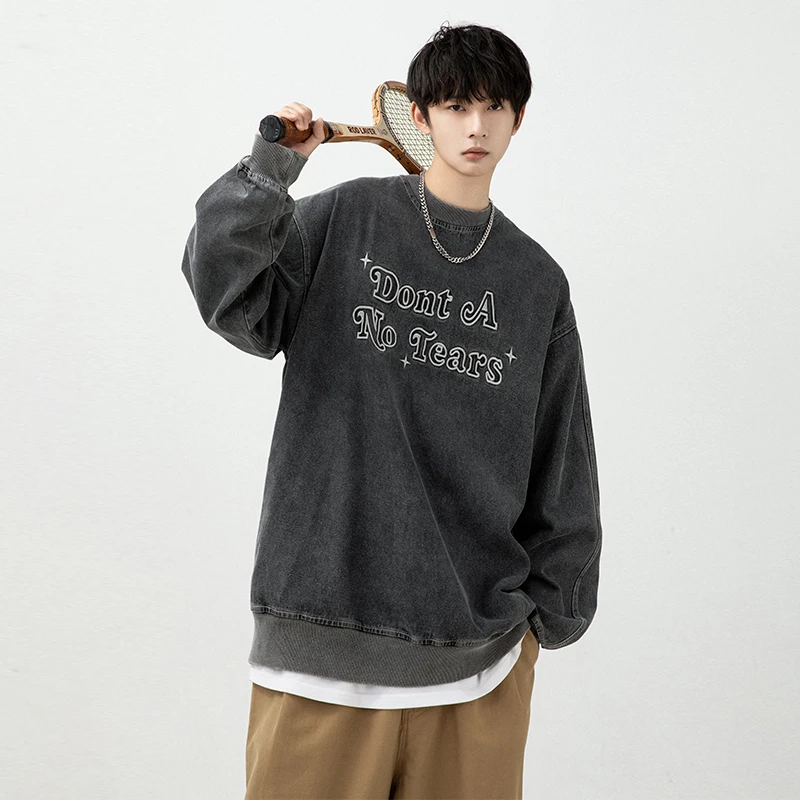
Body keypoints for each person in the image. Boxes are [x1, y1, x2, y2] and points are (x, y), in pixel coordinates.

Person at [182, 20, 602, 800]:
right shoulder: (344, 221)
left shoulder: (536, 283)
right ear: (421, 114)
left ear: (519, 118)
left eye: (495, 107)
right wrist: (269, 173)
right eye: (456, 105)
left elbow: (562, 460)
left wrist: (547, 623)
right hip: (320, 655)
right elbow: (228, 297)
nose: (476, 127)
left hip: (478, 671)